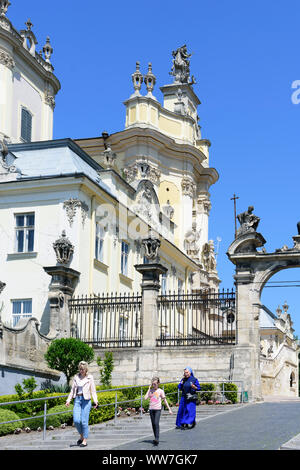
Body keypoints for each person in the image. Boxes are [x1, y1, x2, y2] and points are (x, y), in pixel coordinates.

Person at [66, 361, 98, 447]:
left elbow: (93, 390)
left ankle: (84, 440)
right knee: (76, 420)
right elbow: (72, 390)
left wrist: (95, 401)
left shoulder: (90, 378)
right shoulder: (76, 377)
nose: (81, 370)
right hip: (77, 399)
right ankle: (81, 436)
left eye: (83, 369)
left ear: (86, 369)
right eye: (80, 369)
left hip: (86, 400)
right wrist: (68, 400)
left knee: (84, 422)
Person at [144, 376, 173, 446]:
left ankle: (157, 438)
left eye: (155, 384)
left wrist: (169, 409)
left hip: (157, 409)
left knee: (156, 423)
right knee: (153, 424)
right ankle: (155, 437)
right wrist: (149, 389)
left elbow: (164, 400)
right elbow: (145, 398)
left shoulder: (160, 391)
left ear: (158, 383)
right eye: (153, 384)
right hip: (151, 409)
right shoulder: (151, 391)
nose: (154, 385)